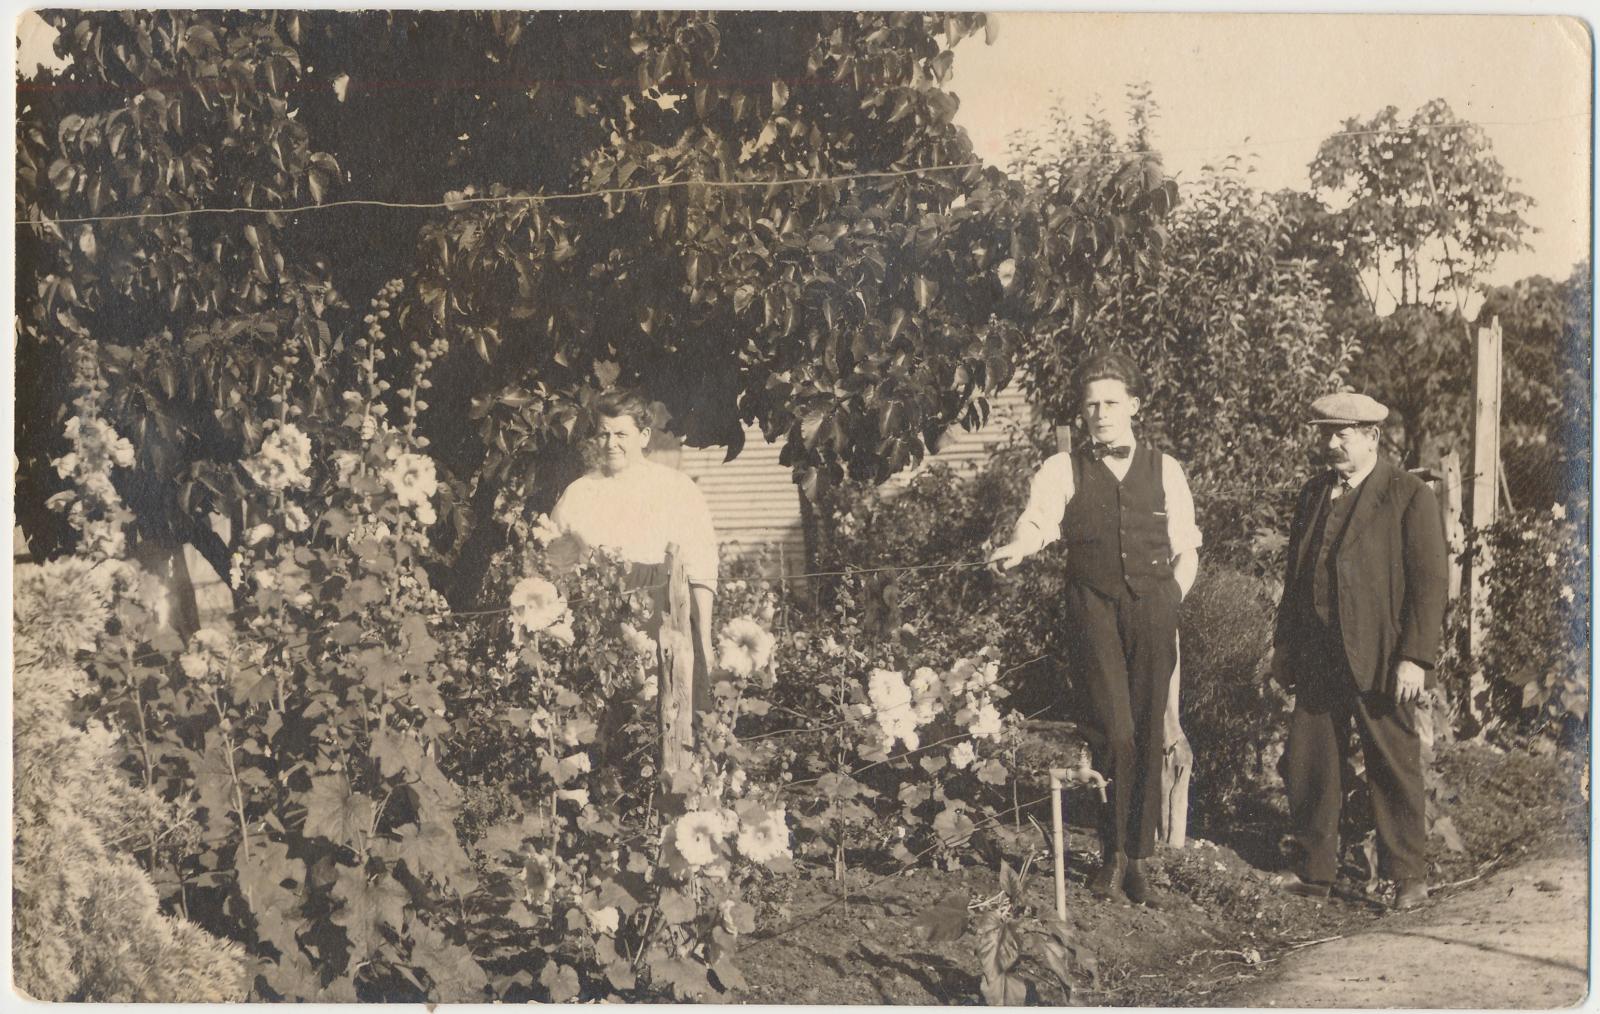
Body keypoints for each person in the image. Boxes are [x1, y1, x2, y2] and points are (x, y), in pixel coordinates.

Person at [988, 352, 1201, 904]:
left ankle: (1138, 861)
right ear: (1082, 415)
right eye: (1091, 405)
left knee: (1150, 732)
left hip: (1154, 610)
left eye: (1111, 402)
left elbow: (1188, 548)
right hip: (1092, 609)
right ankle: (1111, 853)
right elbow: (1038, 523)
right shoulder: (1062, 469)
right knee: (1115, 733)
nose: (1101, 413)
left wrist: (1173, 599)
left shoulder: (1167, 469)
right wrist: (1018, 546)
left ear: (1133, 406)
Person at [1267, 392, 1448, 911]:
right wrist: (1284, 646)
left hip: (1382, 656)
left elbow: (1430, 583)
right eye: (1326, 433)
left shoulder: (1408, 495)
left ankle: (1408, 876)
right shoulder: (1314, 494)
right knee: (1309, 762)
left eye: (1343, 434)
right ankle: (1312, 870)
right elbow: (1295, 578)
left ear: (1372, 436)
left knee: (1393, 763)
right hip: (1319, 653)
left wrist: (1415, 656)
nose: (1332, 444)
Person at [551, 391, 719, 713]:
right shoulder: (579, 493)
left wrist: (706, 641)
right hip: (599, 628)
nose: (611, 443)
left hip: (664, 619)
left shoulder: (676, 488)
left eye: (621, 434)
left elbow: (701, 569)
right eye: (604, 434)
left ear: (643, 436)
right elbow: (556, 567)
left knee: (672, 717)